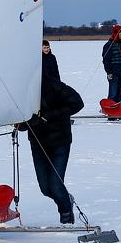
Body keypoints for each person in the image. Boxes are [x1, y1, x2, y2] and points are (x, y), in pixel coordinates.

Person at [19, 75, 84, 223]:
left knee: (55, 185)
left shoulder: (53, 85)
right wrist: (24, 122)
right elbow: (23, 123)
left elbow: (78, 103)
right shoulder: (23, 91)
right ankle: (66, 198)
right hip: (38, 144)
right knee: (45, 189)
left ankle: (66, 214)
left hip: (59, 142)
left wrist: (48, 115)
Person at [102, 25, 121, 103]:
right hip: (113, 74)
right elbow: (106, 60)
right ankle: (110, 109)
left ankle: (117, 109)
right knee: (112, 95)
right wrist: (109, 72)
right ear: (116, 33)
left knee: (119, 96)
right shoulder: (108, 45)